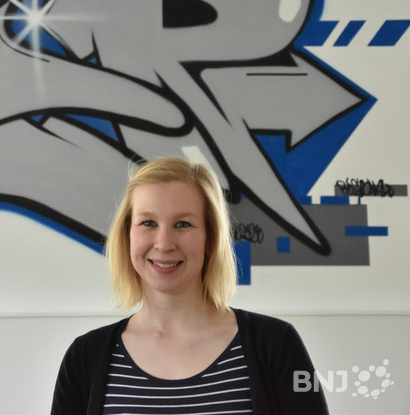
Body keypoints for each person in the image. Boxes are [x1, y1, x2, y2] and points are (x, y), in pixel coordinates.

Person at [51, 157, 328, 415]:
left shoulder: (277, 345)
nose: (163, 243)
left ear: (210, 239)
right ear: (127, 236)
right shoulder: (84, 358)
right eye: (148, 222)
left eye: (183, 224)